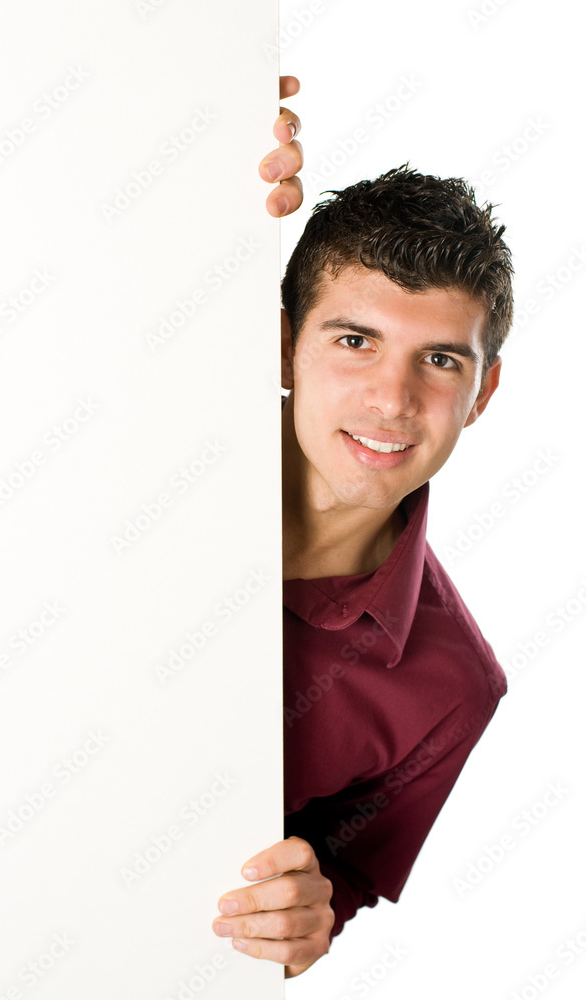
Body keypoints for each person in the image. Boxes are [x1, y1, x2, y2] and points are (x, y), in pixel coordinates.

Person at [212, 77, 513, 979]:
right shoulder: (139, 439)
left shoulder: (455, 687)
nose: (392, 399)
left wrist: (305, 921)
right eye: (354, 341)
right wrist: (190, 124)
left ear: (481, 394)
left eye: (440, 359)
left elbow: (328, 883)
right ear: (281, 344)